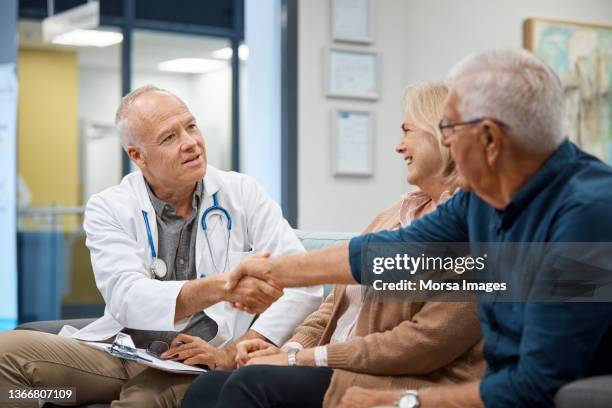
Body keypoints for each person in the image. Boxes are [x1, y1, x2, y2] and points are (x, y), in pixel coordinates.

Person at [226, 48, 612, 408]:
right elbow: (389, 253)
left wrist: (403, 402)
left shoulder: (590, 216)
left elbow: (538, 386)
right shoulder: (483, 198)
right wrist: (274, 270)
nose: (445, 142)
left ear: (490, 138)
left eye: (449, 128)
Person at [0, 85, 323, 407]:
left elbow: (302, 285)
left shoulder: (242, 194)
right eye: (169, 138)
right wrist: (224, 287)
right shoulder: (110, 207)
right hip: (121, 353)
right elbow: (126, 297)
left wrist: (234, 351)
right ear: (137, 156)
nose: (191, 143)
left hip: (197, 359)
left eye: (191, 126)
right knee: (7, 355)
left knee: (140, 401)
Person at [180, 82, 484, 408]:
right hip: (333, 366)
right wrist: (288, 350)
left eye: (407, 130)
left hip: (391, 377)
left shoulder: (474, 229)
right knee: (206, 388)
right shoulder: (394, 215)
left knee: (251, 385)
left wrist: (301, 359)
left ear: (441, 136)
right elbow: (332, 305)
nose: (398, 146)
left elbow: (421, 344)